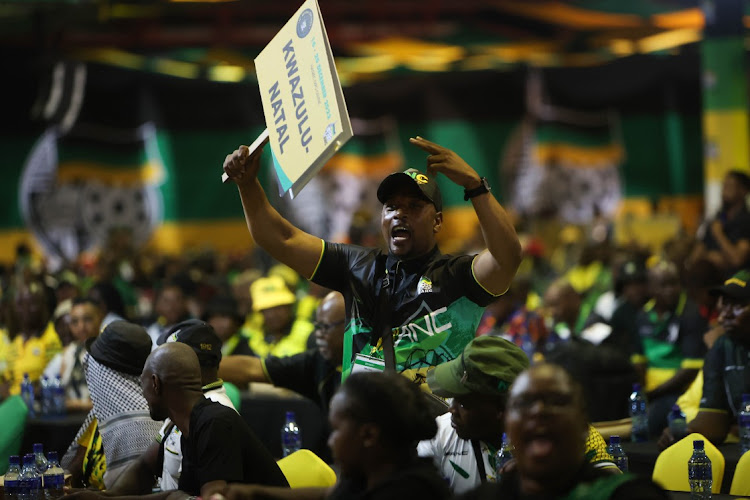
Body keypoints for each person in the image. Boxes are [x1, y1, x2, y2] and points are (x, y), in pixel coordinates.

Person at [222, 136, 521, 384]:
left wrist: (475, 186)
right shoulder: (357, 265)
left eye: (414, 206)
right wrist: (247, 185)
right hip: (363, 433)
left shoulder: (457, 276)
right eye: (391, 207)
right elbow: (281, 239)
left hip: (434, 436)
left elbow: (506, 259)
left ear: (438, 222)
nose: (399, 214)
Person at [418, 336, 618, 495]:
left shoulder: (570, 436)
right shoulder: (439, 434)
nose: (452, 410)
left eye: (463, 403)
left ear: (504, 410)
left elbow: (613, 487)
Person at [216, 371, 451, 500]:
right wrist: (255, 493)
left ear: (368, 436)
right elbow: (328, 495)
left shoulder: (410, 493)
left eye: (336, 430)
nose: (330, 441)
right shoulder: (370, 475)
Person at [460, 364, 667, 500]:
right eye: (524, 403)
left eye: (556, 401)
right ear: (506, 422)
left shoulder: (630, 495)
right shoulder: (482, 497)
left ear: (584, 424)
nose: (538, 412)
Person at [96, 320, 239, 495]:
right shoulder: (184, 405)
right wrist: (105, 497)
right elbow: (145, 466)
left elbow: (206, 495)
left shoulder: (215, 417)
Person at [63, 320, 163, 489]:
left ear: (104, 372)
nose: (88, 363)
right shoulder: (105, 411)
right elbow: (76, 466)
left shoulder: (142, 425)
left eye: (94, 361)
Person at [658, 269, 750, 449]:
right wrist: (686, 432)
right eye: (725, 305)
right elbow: (714, 420)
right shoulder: (723, 347)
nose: (724, 316)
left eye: (738, 306)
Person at [219, 291, 345, 415]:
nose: (319, 334)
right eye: (318, 327)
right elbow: (253, 368)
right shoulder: (316, 360)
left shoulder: (306, 334)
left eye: (326, 327)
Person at [629, 261, 706, 437]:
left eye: (674, 283)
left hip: (680, 391)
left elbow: (690, 370)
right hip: (650, 391)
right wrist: (641, 392)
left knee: (652, 421)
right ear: (650, 288)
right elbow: (638, 362)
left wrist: (653, 393)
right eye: (663, 285)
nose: (670, 290)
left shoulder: (691, 314)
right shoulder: (642, 316)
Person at [44, 297, 104, 412]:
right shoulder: (68, 353)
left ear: (100, 318)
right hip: (70, 420)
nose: (81, 327)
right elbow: (47, 386)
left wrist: (72, 404)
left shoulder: (109, 352)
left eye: (87, 319)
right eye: (75, 322)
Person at [688, 170, 750, 278]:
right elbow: (695, 257)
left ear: (744, 190)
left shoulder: (745, 221)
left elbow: (737, 259)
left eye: (730, 186)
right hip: (711, 281)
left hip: (736, 284)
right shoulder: (717, 218)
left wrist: (719, 234)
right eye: (723, 186)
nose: (724, 191)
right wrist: (709, 259)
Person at [243, 276, 313, 358]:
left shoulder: (307, 333)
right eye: (267, 310)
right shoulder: (254, 338)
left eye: (278, 308)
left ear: (288, 307)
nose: (272, 315)